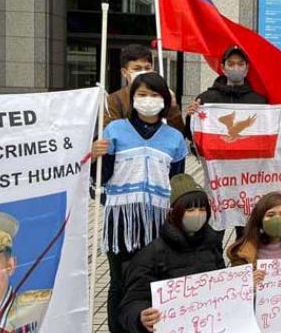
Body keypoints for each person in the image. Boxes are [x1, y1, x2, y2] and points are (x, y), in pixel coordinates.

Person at [91, 72, 188, 333]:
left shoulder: (174, 138)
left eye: (154, 95)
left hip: (158, 223)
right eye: (141, 94)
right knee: (119, 282)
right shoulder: (114, 130)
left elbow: (178, 182)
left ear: (165, 100)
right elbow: (101, 177)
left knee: (154, 281)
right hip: (122, 222)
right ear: (132, 98)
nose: (148, 100)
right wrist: (95, 157)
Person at [117, 174, 224, 333]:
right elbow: (130, 304)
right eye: (190, 210)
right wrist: (141, 317)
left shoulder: (212, 245)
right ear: (174, 212)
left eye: (202, 209)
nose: (197, 214)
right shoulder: (152, 254)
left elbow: (223, 287)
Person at [103, 44, 185, 132]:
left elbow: (178, 133)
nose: (143, 72)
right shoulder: (114, 100)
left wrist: (173, 108)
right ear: (124, 72)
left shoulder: (161, 95)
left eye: (147, 68)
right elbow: (110, 132)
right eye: (137, 69)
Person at [185, 46, 267, 127]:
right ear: (223, 68)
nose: (236, 68)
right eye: (231, 64)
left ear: (247, 68)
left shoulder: (259, 102)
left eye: (240, 64)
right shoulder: (206, 99)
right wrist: (191, 116)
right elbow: (191, 132)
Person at [226, 192, 281, 268]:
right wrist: (249, 278)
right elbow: (237, 279)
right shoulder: (243, 252)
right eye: (270, 215)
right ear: (260, 220)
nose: (278, 220)